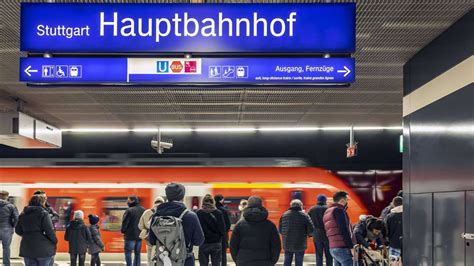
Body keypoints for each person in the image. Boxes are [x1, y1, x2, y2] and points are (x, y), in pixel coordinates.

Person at [149, 183, 204, 266]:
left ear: (167, 196)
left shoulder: (156, 216)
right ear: (182, 196)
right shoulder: (190, 216)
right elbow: (199, 241)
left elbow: (152, 241)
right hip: (185, 261)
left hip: (163, 261)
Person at [230, 196, 281, 266]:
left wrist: (238, 260)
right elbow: (276, 246)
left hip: (244, 262)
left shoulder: (239, 225)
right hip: (265, 262)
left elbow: (233, 245)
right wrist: (272, 262)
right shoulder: (270, 225)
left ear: (248, 205)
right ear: (261, 205)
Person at [15, 195, 57, 266]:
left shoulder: (22, 214)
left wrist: (27, 235)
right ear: (42, 203)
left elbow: (18, 230)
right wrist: (54, 241)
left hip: (27, 248)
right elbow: (49, 231)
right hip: (43, 249)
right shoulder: (43, 213)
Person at [323, 191, 356, 266]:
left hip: (333, 247)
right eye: (346, 200)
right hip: (342, 248)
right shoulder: (339, 210)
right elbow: (344, 230)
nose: (347, 202)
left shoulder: (328, 211)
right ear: (342, 201)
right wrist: (351, 247)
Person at [279, 199, 314, 266]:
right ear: (301, 206)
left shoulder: (284, 215)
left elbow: (280, 230)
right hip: (300, 244)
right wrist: (309, 234)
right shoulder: (305, 215)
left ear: (291, 205)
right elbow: (311, 230)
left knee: (287, 261)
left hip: (287, 243)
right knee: (299, 262)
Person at [197, 194, 227, 266]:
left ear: (203, 202)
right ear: (213, 202)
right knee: (216, 264)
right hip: (216, 243)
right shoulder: (218, 213)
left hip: (203, 243)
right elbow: (222, 230)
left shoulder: (199, 213)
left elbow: (197, 228)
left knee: (203, 264)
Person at [33, 190, 60, 266]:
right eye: (43, 197)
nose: (45, 199)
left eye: (45, 197)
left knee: (50, 257)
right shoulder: (31, 209)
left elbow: (57, 217)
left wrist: (48, 219)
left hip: (49, 236)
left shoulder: (49, 208)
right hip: (37, 237)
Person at [138, 196, 165, 266]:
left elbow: (140, 226)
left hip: (149, 239)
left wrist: (146, 230)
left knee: (149, 258)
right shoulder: (166, 212)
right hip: (162, 240)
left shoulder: (147, 212)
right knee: (162, 258)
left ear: (154, 203)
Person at [308, 194, 333, 266]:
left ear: (317, 200)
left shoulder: (312, 209)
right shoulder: (329, 209)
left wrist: (310, 234)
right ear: (325, 200)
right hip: (328, 235)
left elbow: (308, 222)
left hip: (317, 235)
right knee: (329, 255)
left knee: (319, 255)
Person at [121, 195, 146, 266]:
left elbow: (125, 222)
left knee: (128, 253)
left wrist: (123, 230)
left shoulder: (129, 210)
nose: (127, 202)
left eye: (128, 200)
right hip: (139, 236)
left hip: (129, 236)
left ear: (133, 201)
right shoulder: (143, 210)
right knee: (137, 253)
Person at [0, 190, 19, 266]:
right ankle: (6, 264)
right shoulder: (11, 206)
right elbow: (16, 218)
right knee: (6, 247)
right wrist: (12, 226)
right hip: (7, 229)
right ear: (7, 197)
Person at [385, 196, 403, 265]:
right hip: (407, 245)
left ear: (393, 204)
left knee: (394, 263)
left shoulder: (389, 216)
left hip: (394, 244)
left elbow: (386, 232)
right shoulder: (408, 214)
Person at [214, 194, 231, 266]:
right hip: (223, 236)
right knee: (223, 254)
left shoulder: (213, 210)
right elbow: (228, 224)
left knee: (215, 254)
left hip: (214, 235)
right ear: (221, 200)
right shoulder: (224, 210)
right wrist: (225, 231)